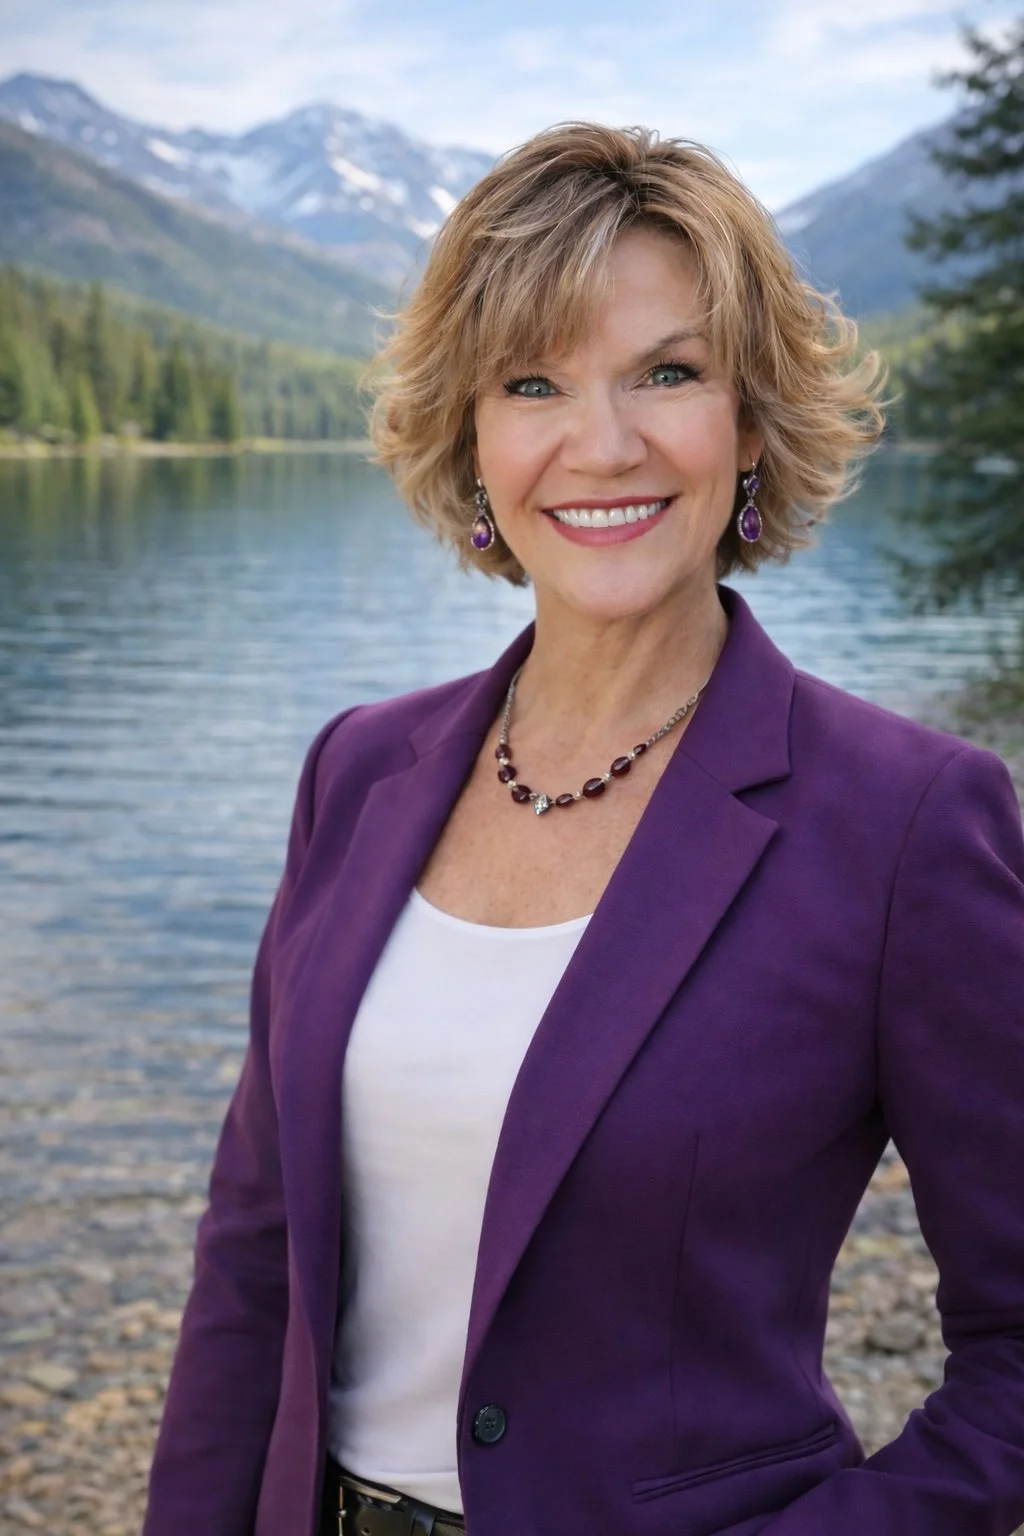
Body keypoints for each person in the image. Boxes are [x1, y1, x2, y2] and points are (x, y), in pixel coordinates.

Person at [144, 124, 1024, 1536]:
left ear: (749, 420)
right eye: (533, 382)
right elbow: (252, 1263)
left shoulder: (907, 823)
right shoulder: (357, 771)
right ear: (473, 436)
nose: (599, 444)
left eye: (667, 373)